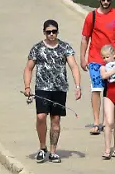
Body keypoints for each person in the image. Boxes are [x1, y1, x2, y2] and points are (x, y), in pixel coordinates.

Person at [23, 19, 83, 163]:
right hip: (42, 88)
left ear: (57, 32)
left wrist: (77, 86)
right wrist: (27, 86)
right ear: (44, 32)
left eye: (54, 31)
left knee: (55, 120)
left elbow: (74, 66)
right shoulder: (37, 48)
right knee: (41, 117)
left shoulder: (65, 47)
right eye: (48, 32)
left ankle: (53, 151)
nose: (51, 34)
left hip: (59, 89)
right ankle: (42, 148)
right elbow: (28, 68)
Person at [78, 0, 115, 136]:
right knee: (96, 89)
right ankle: (97, 122)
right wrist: (82, 58)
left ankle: (114, 120)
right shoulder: (92, 16)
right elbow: (85, 38)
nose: (106, 2)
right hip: (96, 59)